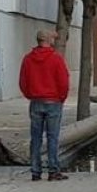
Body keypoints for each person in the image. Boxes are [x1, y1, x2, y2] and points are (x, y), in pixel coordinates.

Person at [19, 29, 70, 181]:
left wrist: (30, 95)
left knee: (36, 138)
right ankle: (53, 170)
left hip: (36, 101)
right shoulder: (56, 59)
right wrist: (61, 98)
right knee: (52, 137)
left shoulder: (28, 59)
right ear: (48, 40)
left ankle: (35, 170)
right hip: (53, 101)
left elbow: (23, 82)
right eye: (52, 39)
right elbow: (63, 82)